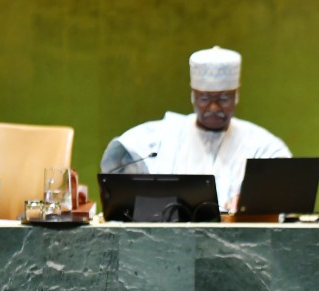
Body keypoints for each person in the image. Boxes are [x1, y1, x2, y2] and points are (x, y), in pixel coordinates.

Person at [99, 46, 292, 213]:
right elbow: (116, 170)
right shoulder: (160, 137)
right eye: (205, 99)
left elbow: (284, 185)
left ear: (237, 96)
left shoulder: (262, 145)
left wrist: (253, 202)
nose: (214, 108)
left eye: (224, 99)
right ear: (193, 95)